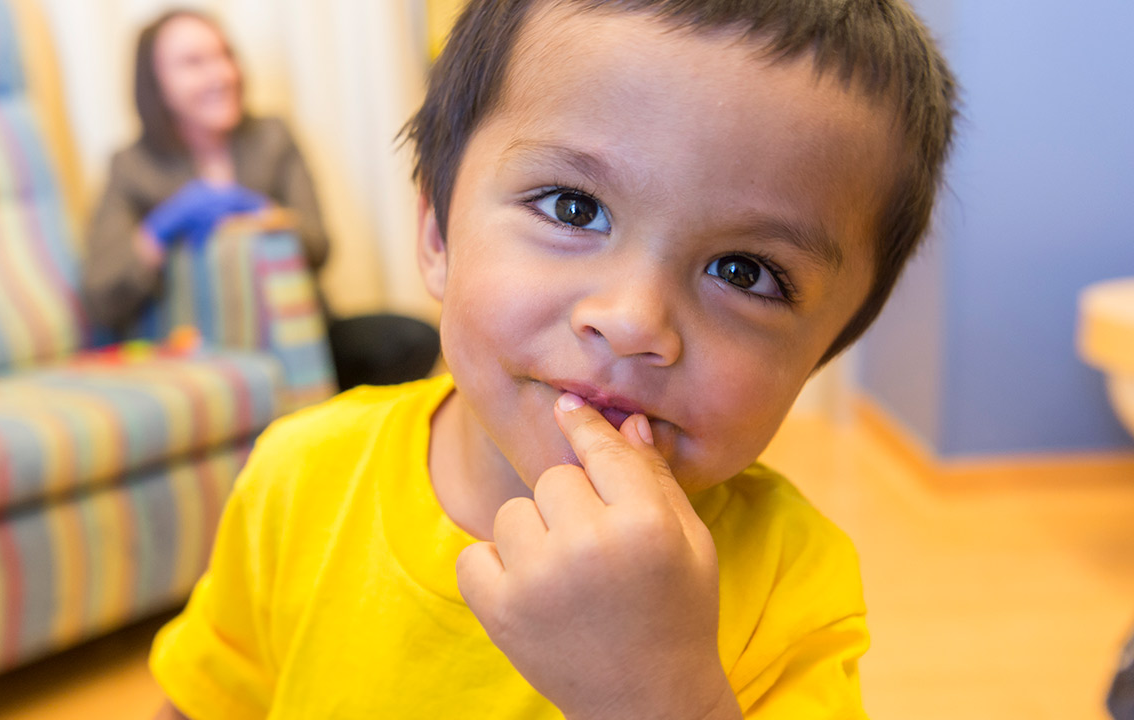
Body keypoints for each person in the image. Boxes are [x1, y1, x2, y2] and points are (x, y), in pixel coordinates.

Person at [149, 0, 957, 717]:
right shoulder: (301, 474)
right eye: (575, 207)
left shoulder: (794, 583)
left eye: (744, 271)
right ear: (437, 234)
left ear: (825, 351)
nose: (633, 321)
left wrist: (657, 693)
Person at [83, 9, 439, 390]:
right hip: (200, 351)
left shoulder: (272, 138)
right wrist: (161, 229)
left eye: (224, 56)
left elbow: (318, 246)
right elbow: (103, 292)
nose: (221, 74)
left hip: (299, 337)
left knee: (410, 338)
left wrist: (262, 216)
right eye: (194, 63)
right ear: (157, 84)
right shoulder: (131, 167)